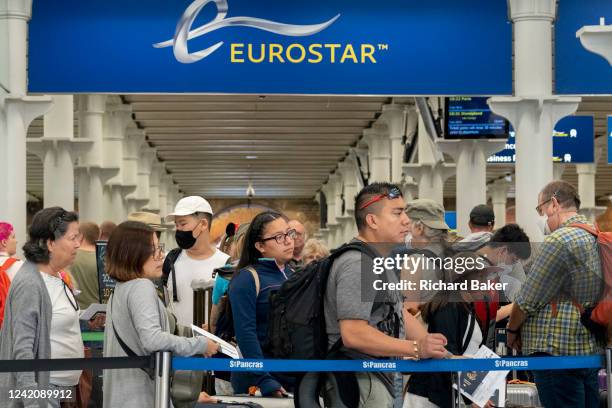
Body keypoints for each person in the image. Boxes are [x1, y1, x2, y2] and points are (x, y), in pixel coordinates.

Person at [324, 183, 448, 408]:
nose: (406, 221)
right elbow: (354, 333)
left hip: (380, 378)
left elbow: (399, 312)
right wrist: (416, 348)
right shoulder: (357, 263)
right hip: (360, 380)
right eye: (397, 213)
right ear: (372, 220)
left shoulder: (379, 261)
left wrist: (443, 354)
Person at [103, 221, 220, 408]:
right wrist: (200, 344)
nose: (161, 256)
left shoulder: (122, 288)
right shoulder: (141, 287)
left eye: (160, 248)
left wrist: (194, 334)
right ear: (134, 253)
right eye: (154, 250)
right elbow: (153, 340)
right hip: (140, 397)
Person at [508, 180, 604, 408]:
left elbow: (527, 299)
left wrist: (512, 330)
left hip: (556, 351)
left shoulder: (559, 240)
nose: (542, 218)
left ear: (553, 204)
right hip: (589, 349)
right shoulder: (596, 236)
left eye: (541, 210)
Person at [0, 207, 83, 407]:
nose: (78, 244)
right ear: (50, 243)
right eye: (72, 238)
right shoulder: (31, 283)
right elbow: (22, 351)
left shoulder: (57, 275)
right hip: (43, 391)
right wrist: (32, 402)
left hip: (61, 389)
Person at [405, 253, 493, 408]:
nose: (486, 283)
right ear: (463, 279)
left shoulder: (465, 308)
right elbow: (446, 354)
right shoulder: (449, 307)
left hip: (446, 394)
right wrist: (472, 397)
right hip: (429, 395)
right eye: (480, 277)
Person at [229, 211, 297, 397]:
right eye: (278, 237)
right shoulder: (247, 278)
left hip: (293, 378)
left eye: (289, 234)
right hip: (259, 382)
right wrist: (264, 379)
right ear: (260, 246)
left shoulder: (294, 275)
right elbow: (246, 334)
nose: (288, 241)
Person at [163, 196, 229, 327]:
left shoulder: (226, 264)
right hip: (175, 344)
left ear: (203, 224)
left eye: (183, 224)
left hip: (212, 345)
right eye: (176, 225)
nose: (179, 230)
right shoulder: (170, 261)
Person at [69, 222, 100, 310]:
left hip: (75, 311)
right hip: (98, 314)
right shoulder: (104, 259)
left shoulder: (70, 257)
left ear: (81, 236)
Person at [0, 222, 24, 328]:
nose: (16, 241)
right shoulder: (19, 266)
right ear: (4, 242)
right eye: (13, 237)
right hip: (10, 326)